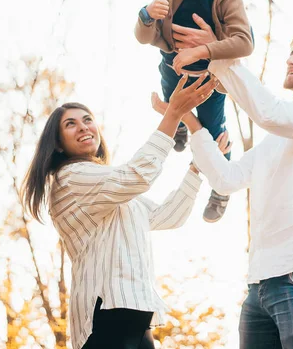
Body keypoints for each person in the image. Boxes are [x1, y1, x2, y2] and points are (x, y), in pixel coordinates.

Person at [152, 29, 293, 348]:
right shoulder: (274, 140)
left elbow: (269, 113)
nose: (291, 59)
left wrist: (216, 54)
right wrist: (191, 123)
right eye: (291, 52)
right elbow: (226, 179)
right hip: (258, 286)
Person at [22, 74, 218, 349]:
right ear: (57, 143)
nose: (83, 127)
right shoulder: (71, 178)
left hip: (136, 315)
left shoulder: (108, 189)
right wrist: (173, 113)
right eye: (70, 124)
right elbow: (137, 175)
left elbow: (167, 216)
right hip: (106, 315)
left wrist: (197, 167)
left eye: (87, 119)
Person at [135, 0, 254, 223]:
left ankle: (221, 188)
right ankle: (179, 128)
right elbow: (144, 37)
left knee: (215, 131)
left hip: (210, 80)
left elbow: (245, 42)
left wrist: (202, 49)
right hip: (172, 66)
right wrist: (147, 15)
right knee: (168, 93)